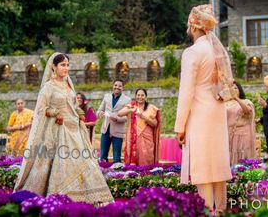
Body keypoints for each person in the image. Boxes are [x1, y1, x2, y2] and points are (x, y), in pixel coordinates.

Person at [14, 53, 113, 204]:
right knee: (63, 162)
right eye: (63, 65)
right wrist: (55, 113)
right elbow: (41, 109)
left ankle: (90, 197)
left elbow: (73, 105)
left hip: (75, 129)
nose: (66, 68)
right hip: (58, 130)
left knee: (84, 162)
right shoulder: (48, 87)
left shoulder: (68, 84)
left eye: (67, 65)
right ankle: (61, 197)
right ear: (54, 67)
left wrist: (80, 113)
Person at [175, 4, 234, 213]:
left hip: (200, 112)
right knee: (217, 164)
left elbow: (186, 92)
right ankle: (222, 210)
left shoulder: (192, 52)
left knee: (202, 167)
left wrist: (179, 126)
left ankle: (207, 210)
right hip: (217, 111)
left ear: (193, 26)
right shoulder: (217, 52)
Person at [118, 88, 161, 165]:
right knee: (135, 156)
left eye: (142, 95)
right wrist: (131, 110)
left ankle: (146, 173)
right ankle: (133, 174)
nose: (140, 97)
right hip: (133, 137)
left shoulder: (151, 108)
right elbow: (119, 113)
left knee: (146, 156)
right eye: (138, 95)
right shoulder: (131, 106)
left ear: (146, 97)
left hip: (147, 136)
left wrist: (143, 116)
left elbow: (155, 124)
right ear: (135, 96)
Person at [97, 80, 131, 163]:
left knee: (116, 156)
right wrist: (100, 113)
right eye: (115, 85)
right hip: (105, 130)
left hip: (118, 131)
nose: (117, 87)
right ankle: (104, 173)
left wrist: (116, 119)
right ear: (113, 86)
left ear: (123, 88)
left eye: (120, 86)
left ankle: (117, 174)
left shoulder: (127, 100)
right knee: (103, 155)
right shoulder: (106, 96)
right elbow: (99, 110)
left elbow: (127, 118)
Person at [225, 82, 256, 165]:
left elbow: (248, 113)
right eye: (231, 88)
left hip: (242, 135)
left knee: (241, 157)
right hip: (229, 134)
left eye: (235, 88)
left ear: (240, 90)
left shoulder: (246, 101)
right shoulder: (225, 103)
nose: (233, 90)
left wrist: (236, 98)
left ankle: (242, 175)